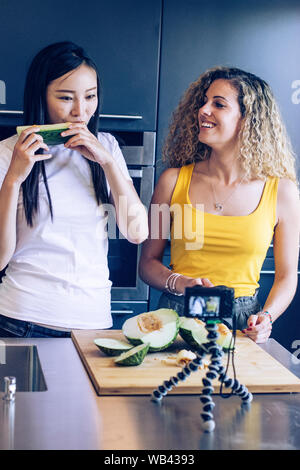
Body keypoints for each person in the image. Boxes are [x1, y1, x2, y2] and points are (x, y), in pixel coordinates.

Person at [139, 66, 300, 343]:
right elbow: (147, 264)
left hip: (241, 322)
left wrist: (267, 317)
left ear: (248, 120)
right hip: (177, 313)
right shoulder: (172, 181)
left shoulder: (281, 191)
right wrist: (179, 282)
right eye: (204, 101)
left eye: (218, 104)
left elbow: (287, 276)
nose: (203, 110)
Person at [0, 41, 148, 337]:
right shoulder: (6, 154)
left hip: (93, 324)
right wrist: (14, 178)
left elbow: (137, 232)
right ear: (41, 95)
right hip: (21, 320)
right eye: (66, 98)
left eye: (90, 96)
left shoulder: (107, 147)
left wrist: (107, 162)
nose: (81, 111)